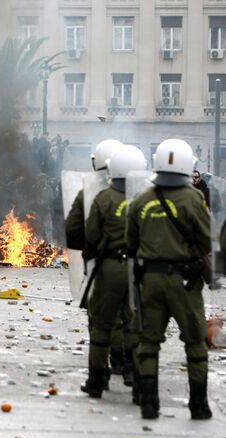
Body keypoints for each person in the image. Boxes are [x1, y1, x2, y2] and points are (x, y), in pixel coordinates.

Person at [126, 139, 212, 420]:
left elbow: (131, 242)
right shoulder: (193, 199)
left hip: (150, 279)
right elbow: (206, 239)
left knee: (149, 341)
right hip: (184, 283)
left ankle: (149, 402)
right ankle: (198, 405)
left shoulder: (141, 200)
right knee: (195, 342)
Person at [81, 145, 146, 399]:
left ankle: (97, 380)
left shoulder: (103, 198)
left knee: (102, 324)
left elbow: (91, 236)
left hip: (109, 268)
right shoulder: (147, 199)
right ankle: (135, 375)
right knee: (135, 324)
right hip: (137, 268)